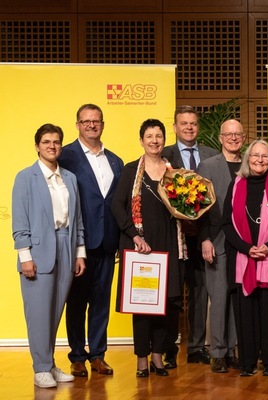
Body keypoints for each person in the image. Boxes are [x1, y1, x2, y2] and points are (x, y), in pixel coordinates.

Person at [13, 123, 86, 388]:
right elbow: (20, 221)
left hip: (66, 247)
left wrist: (79, 252)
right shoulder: (25, 178)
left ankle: (50, 364)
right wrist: (25, 256)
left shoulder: (70, 178)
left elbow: (77, 219)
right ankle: (40, 367)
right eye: (46, 142)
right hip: (38, 249)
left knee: (55, 312)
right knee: (39, 312)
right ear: (37, 146)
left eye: (56, 142)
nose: (52, 146)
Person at [111, 119, 181, 378]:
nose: (154, 141)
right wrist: (134, 235)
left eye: (159, 136)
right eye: (149, 136)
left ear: (164, 140)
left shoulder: (175, 171)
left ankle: (158, 357)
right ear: (141, 140)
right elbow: (117, 207)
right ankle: (141, 359)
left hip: (169, 244)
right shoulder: (131, 171)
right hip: (139, 245)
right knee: (142, 305)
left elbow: (185, 207)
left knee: (165, 304)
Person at [221, 140, 268, 377]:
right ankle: (248, 364)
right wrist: (246, 248)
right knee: (245, 315)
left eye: (265, 157)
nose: (260, 160)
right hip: (243, 260)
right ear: (247, 158)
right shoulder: (236, 185)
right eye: (255, 156)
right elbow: (226, 223)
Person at [60, 104, 122, 377]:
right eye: (86, 121)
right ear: (77, 125)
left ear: (103, 124)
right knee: (75, 302)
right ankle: (77, 356)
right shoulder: (66, 157)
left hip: (108, 242)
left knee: (101, 302)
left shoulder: (115, 160)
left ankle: (98, 354)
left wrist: (121, 241)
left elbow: (117, 203)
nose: (91, 125)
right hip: (79, 245)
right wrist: (75, 247)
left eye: (96, 121)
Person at [161, 105, 220, 368]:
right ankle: (167, 348)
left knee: (199, 292)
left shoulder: (211, 155)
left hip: (203, 237)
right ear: (174, 127)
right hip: (172, 237)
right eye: (183, 123)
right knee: (172, 295)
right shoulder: (162, 157)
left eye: (193, 123)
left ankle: (196, 347)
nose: (189, 128)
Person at [196, 119, 245, 373]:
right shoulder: (207, 165)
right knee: (219, 297)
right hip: (216, 241)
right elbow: (199, 207)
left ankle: (231, 350)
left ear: (243, 137)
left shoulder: (250, 163)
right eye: (229, 134)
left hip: (245, 244)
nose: (233, 138)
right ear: (221, 136)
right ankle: (216, 352)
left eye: (238, 134)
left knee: (237, 298)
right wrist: (204, 238)